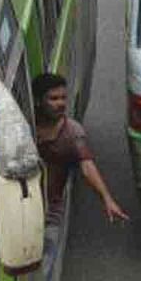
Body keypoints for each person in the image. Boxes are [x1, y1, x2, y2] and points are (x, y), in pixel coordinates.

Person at [31, 73, 128, 224]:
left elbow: (87, 166)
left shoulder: (73, 133)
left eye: (63, 98)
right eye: (54, 99)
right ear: (38, 101)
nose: (61, 104)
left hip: (49, 213)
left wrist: (107, 199)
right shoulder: (25, 126)